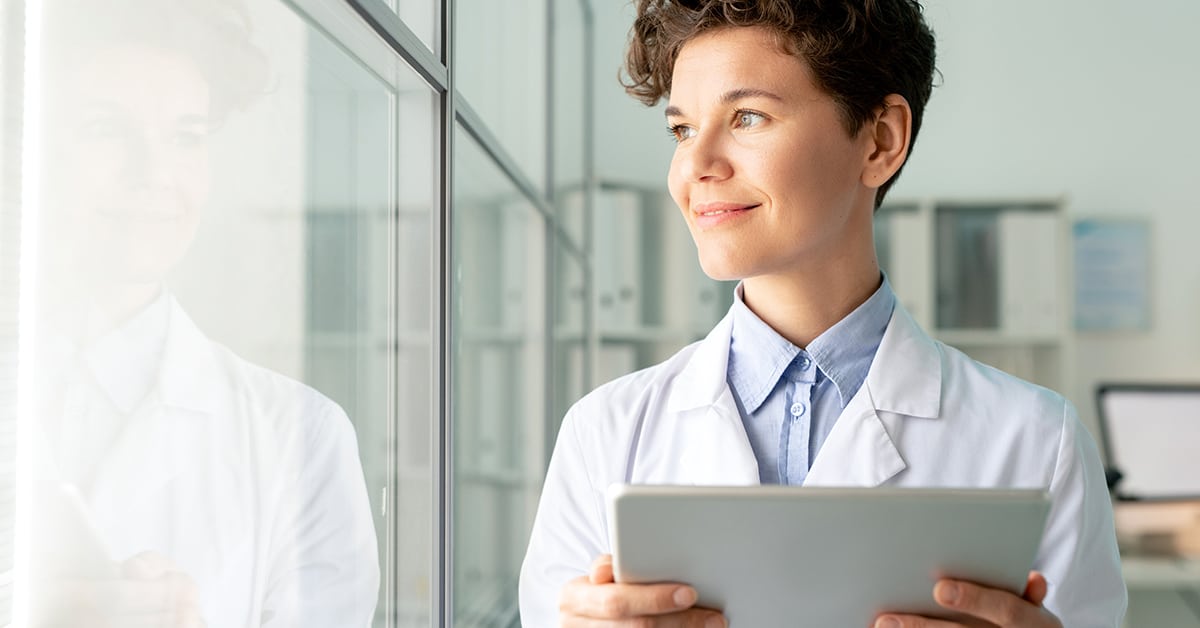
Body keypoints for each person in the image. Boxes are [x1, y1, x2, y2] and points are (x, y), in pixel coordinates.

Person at [518, 1, 1126, 626]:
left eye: (747, 117)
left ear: (880, 140)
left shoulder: (1035, 441)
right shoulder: (603, 434)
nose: (694, 167)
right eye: (681, 129)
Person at [29, 0, 379, 625]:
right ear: (32, 145)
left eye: (186, 137)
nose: (155, 174)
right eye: (106, 129)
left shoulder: (303, 440)